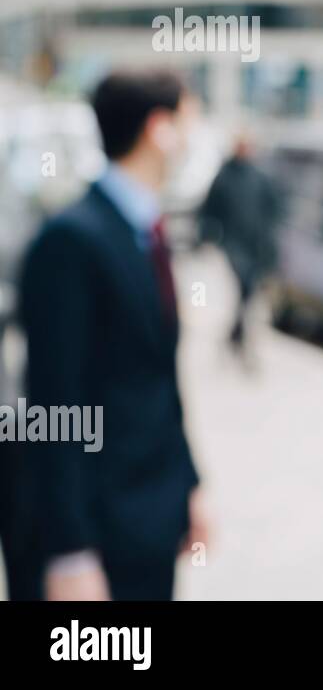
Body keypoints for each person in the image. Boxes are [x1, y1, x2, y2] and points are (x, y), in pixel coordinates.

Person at [19, 69, 208, 601]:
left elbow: (159, 377)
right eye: (188, 121)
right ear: (159, 128)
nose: (192, 139)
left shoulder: (148, 231)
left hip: (152, 518)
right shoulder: (71, 242)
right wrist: (70, 551)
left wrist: (189, 486)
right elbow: (52, 407)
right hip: (99, 536)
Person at [198, 130, 282, 365]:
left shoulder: (260, 177)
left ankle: (236, 334)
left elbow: (273, 210)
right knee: (242, 285)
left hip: (255, 244)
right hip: (233, 243)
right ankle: (238, 336)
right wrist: (206, 236)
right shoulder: (225, 176)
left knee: (248, 292)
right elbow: (209, 209)